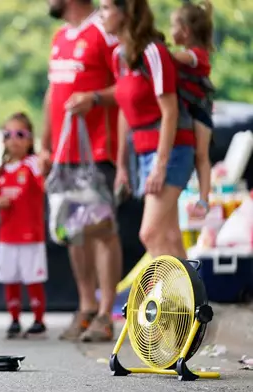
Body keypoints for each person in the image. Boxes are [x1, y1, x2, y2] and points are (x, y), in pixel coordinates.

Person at [39, 0, 123, 343]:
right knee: (73, 231)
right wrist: (44, 144)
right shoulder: (60, 35)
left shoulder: (105, 30)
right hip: (64, 153)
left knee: (101, 230)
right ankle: (86, 308)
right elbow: (52, 92)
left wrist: (96, 98)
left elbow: (129, 86)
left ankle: (106, 314)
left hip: (97, 149)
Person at [99, 0, 196, 260]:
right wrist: (121, 165)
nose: (101, 14)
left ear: (126, 12)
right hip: (142, 151)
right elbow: (124, 109)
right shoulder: (119, 56)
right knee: (169, 235)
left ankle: (171, 300)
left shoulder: (154, 51)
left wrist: (160, 165)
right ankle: (193, 299)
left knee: (150, 233)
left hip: (172, 149)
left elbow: (170, 112)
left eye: (106, 8)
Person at [0, 113, 48, 340]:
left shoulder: (32, 164)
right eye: (8, 134)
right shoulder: (1, 171)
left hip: (30, 235)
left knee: (33, 278)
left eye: (20, 134)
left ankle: (38, 320)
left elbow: (44, 181)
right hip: (7, 235)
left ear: (30, 139)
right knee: (10, 278)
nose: (14, 139)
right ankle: (14, 319)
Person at [170, 0, 214, 219]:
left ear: (185, 31)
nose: (171, 32)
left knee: (201, 155)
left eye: (173, 27)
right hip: (189, 111)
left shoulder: (196, 55)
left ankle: (204, 198)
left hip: (200, 112)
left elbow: (175, 58)